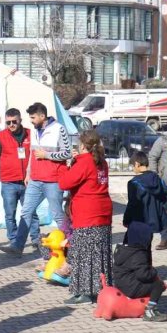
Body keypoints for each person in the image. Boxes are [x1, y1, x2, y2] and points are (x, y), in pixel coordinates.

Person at [1, 102, 72, 256]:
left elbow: (67, 153)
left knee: (57, 214)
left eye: (33, 117)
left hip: (53, 180)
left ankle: (69, 245)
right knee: (26, 211)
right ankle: (17, 246)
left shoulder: (59, 129)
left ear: (42, 116)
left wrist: (47, 155)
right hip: (35, 180)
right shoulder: (34, 131)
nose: (31, 121)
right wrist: (28, 173)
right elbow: (33, 155)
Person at [58, 130, 113, 304]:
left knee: (83, 252)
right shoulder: (101, 162)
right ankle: (100, 288)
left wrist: (69, 164)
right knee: (99, 253)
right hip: (102, 212)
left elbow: (64, 183)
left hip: (87, 213)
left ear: (82, 146)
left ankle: (84, 292)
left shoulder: (84, 162)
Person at [0, 108, 40, 249]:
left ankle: (36, 238)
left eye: (14, 121)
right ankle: (13, 239)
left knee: (31, 212)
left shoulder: (31, 134)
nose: (11, 124)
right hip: (9, 182)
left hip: (28, 181)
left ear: (20, 120)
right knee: (10, 214)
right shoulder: (0, 136)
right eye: (8, 122)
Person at [112, 222, 167, 322]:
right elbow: (143, 275)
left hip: (120, 284)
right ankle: (149, 311)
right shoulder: (139, 254)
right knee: (158, 285)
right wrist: (153, 272)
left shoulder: (123, 250)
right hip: (131, 287)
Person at [122, 151, 167, 234]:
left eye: (133, 166)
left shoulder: (133, 183)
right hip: (155, 223)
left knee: (137, 246)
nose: (133, 169)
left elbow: (132, 204)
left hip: (139, 222)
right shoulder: (157, 179)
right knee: (147, 245)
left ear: (137, 164)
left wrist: (126, 220)